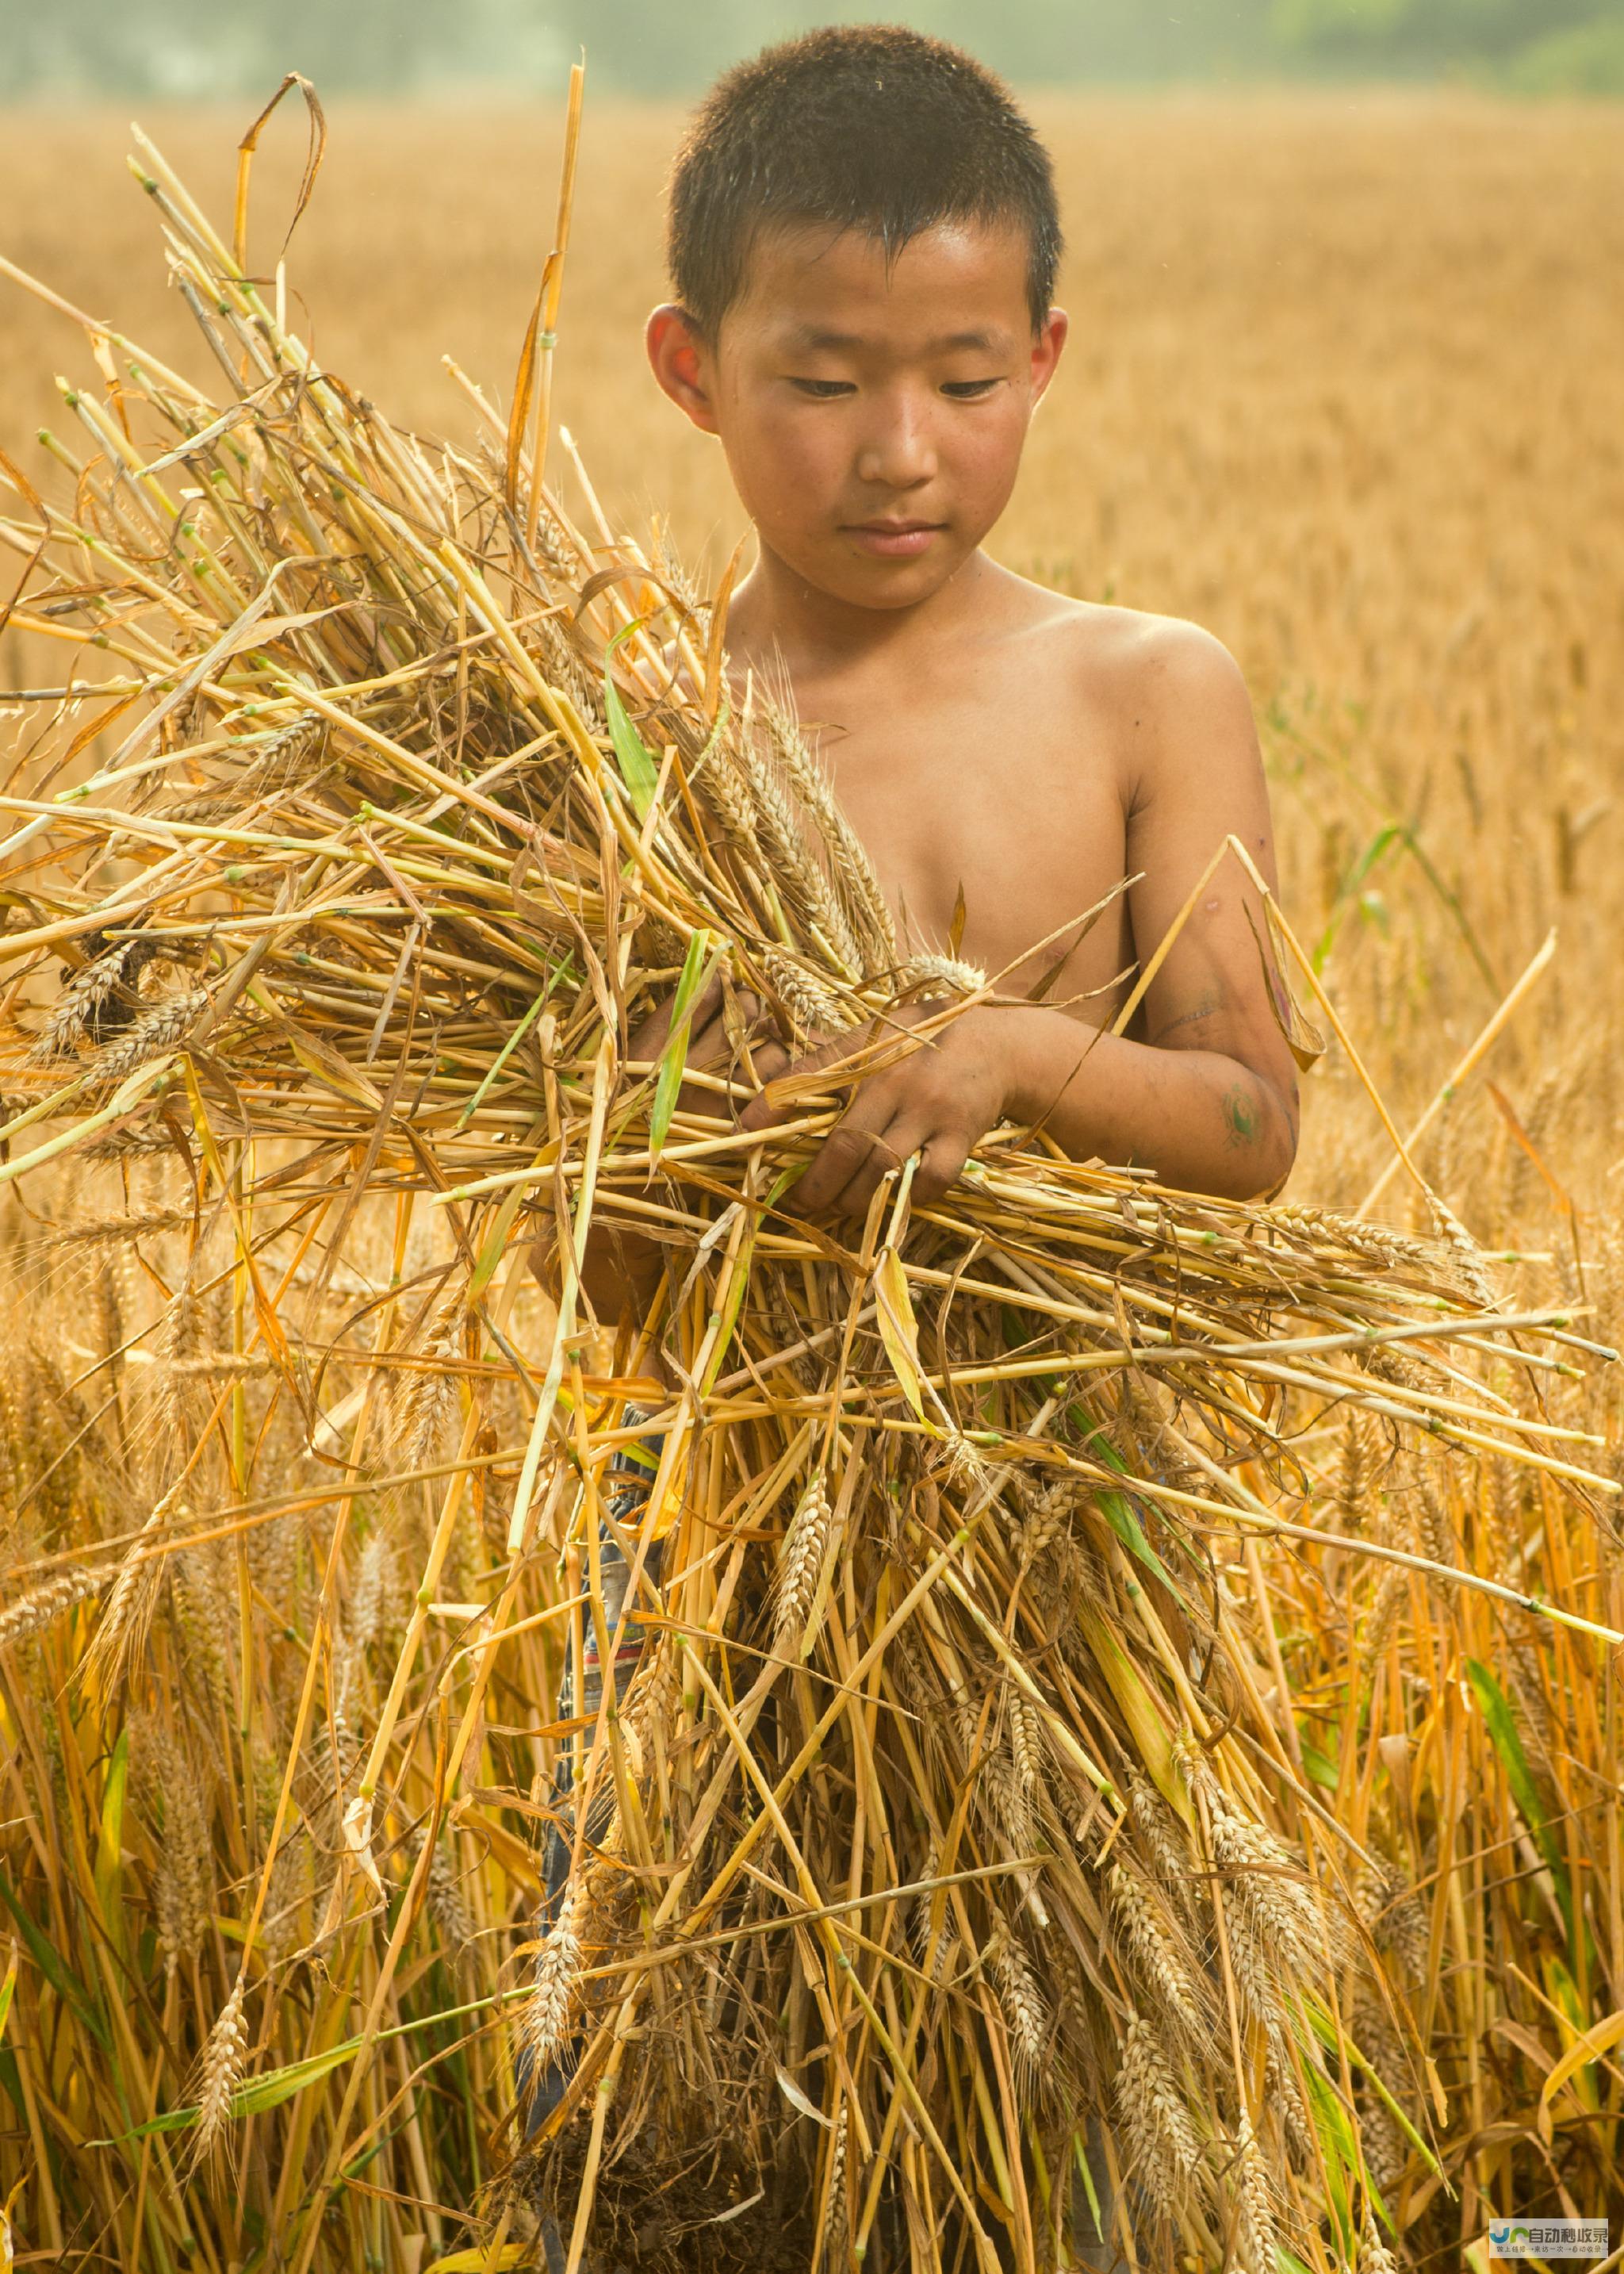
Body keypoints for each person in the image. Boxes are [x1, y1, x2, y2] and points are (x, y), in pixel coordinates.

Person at [520, 24, 1299, 2267]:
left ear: (1047, 355)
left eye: (965, 379)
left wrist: (1014, 1058)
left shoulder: (1149, 688)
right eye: (821, 377)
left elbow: (1250, 1126)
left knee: (1079, 2148)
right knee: (721, 2135)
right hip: (731, 1559)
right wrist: (689, 1156)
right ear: (688, 367)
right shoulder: (633, 732)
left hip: (1070, 1533)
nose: (898, 454)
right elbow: (604, 1257)